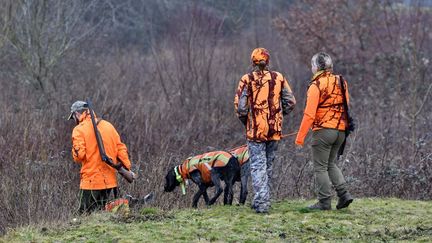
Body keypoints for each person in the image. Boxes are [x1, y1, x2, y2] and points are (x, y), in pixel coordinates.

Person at [234, 48, 296, 213]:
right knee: (267, 166)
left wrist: (247, 122)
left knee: (257, 166)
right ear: (268, 61)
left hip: (255, 131)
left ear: (252, 62)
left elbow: (240, 108)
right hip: (274, 130)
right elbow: (290, 102)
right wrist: (279, 116)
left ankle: (262, 203)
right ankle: (262, 199)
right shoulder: (279, 77)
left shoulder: (247, 79)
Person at [295, 52, 354, 210]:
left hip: (323, 132)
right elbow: (346, 104)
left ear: (317, 67)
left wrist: (300, 138)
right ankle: (344, 195)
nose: (311, 67)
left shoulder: (316, 85)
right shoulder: (341, 81)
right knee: (330, 164)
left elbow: (309, 115)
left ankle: (324, 202)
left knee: (320, 167)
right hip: (340, 131)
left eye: (312, 64)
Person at [68, 100, 132, 214]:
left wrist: (74, 150)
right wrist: (127, 169)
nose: (74, 121)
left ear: (77, 114)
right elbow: (121, 149)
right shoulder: (108, 126)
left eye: (73, 118)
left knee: (85, 216)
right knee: (104, 215)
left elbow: (79, 156)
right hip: (110, 182)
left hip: (91, 181)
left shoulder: (79, 130)